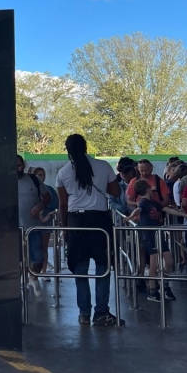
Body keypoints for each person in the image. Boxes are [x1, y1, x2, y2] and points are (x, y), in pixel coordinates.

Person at [57, 133, 123, 326]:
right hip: (100, 220)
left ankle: (84, 314)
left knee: (80, 270)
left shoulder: (63, 172)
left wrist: (64, 229)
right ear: (86, 147)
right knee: (103, 267)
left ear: (68, 150)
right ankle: (101, 312)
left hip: (76, 221)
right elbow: (116, 191)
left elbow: (63, 205)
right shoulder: (103, 166)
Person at [126, 178, 176, 302]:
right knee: (154, 263)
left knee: (168, 261)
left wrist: (185, 215)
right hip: (150, 235)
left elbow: (166, 209)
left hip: (158, 233)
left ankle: (164, 286)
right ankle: (153, 290)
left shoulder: (153, 203)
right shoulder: (143, 202)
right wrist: (131, 216)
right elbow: (138, 209)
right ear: (148, 189)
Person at [17, 155, 50, 289]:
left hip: (33, 227)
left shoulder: (34, 180)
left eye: (19, 165)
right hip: (13, 229)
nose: (16, 169)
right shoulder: (3, 182)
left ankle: (33, 276)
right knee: (16, 259)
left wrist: (40, 206)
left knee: (38, 257)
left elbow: (47, 197)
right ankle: (21, 281)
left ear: (23, 165)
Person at [30, 166, 59, 277]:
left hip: (46, 220)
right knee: (33, 247)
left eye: (44, 175)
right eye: (39, 175)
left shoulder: (49, 190)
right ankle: (32, 272)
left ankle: (44, 270)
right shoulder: (30, 189)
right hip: (33, 220)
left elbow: (55, 203)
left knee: (44, 246)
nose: (42, 177)